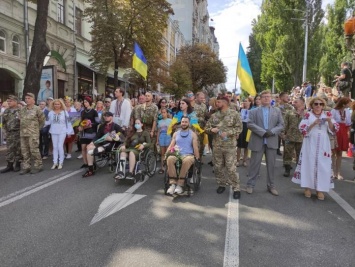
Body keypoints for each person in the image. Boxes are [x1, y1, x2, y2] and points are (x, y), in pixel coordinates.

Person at [292, 97, 338, 200]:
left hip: (323, 143)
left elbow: (334, 130)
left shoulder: (328, 114)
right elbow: (302, 129)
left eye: (321, 104)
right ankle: (307, 187)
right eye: (316, 104)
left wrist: (329, 121)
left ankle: (320, 189)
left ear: (323, 105)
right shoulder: (308, 115)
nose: (318, 106)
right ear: (312, 105)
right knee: (309, 163)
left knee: (323, 165)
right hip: (310, 142)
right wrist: (313, 124)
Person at [246, 90, 284, 196]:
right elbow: (249, 124)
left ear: (271, 98)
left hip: (271, 141)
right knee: (254, 165)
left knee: (271, 165)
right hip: (258, 140)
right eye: (264, 97)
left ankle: (271, 186)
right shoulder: (253, 111)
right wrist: (263, 132)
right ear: (260, 99)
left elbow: (281, 125)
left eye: (268, 96)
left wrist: (271, 132)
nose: (266, 98)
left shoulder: (277, 111)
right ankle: (250, 185)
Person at [205, 95, 243, 199]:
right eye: (217, 102)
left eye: (219, 102)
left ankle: (236, 188)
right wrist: (211, 130)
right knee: (218, 167)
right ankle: (221, 184)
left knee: (231, 168)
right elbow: (207, 127)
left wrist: (229, 133)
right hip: (217, 146)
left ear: (225, 102)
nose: (216, 104)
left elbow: (239, 128)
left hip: (229, 146)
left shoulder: (234, 114)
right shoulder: (214, 115)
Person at [82, 112, 124, 177]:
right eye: (105, 116)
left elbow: (121, 136)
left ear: (111, 117)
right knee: (89, 147)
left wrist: (112, 138)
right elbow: (97, 136)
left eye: (107, 116)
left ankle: (95, 151)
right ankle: (90, 169)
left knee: (98, 148)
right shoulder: (102, 126)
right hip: (101, 141)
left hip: (111, 143)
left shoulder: (116, 126)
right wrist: (92, 142)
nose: (106, 117)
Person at [166, 116, 200, 195]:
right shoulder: (176, 133)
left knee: (186, 160)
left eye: (185, 122)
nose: (184, 123)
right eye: (182, 122)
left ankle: (180, 184)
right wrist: (166, 155)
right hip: (177, 154)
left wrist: (197, 158)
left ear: (189, 123)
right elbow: (171, 145)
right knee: (170, 158)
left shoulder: (193, 134)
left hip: (188, 155)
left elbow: (195, 148)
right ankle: (173, 183)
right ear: (180, 123)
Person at [19, 93, 46, 174]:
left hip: (33, 133)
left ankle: (38, 166)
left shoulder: (37, 109)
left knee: (34, 150)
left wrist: (37, 129)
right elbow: (20, 119)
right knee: (24, 150)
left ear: (33, 100)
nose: (27, 99)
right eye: (26, 98)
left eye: (29, 98)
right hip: (23, 133)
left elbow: (42, 120)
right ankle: (26, 167)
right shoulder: (22, 109)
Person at [282, 97, 306, 177]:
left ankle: (299, 171)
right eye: (294, 101)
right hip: (290, 136)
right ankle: (287, 169)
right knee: (287, 153)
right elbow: (285, 124)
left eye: (296, 102)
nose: (294, 103)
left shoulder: (307, 113)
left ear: (302, 103)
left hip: (301, 137)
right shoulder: (289, 112)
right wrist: (283, 134)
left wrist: (301, 115)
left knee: (300, 155)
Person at [46, 99, 72, 170]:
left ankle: (61, 162)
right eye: (55, 104)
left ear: (61, 105)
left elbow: (68, 122)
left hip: (62, 131)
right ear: (53, 105)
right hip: (53, 131)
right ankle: (55, 162)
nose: (57, 105)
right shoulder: (50, 112)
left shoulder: (64, 112)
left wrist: (69, 132)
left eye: (58, 104)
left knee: (60, 146)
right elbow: (48, 122)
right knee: (55, 146)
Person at [331, 97, 351, 180]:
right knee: (333, 152)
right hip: (335, 131)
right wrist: (333, 133)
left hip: (343, 132)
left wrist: (348, 134)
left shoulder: (347, 111)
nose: (349, 104)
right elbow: (332, 122)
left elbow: (348, 123)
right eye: (348, 103)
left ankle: (338, 172)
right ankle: (332, 172)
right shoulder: (334, 111)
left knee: (339, 153)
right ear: (343, 104)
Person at [1, 95, 21, 173]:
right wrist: (5, 132)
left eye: (11, 101)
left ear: (16, 102)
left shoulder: (21, 110)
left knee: (18, 149)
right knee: (10, 149)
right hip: (9, 133)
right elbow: (3, 123)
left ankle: (18, 164)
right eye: (8, 101)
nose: (9, 102)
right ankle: (9, 165)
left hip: (18, 132)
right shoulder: (6, 111)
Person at [78, 96, 99, 169]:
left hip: (91, 132)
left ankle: (93, 162)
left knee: (89, 148)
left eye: (86, 102)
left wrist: (91, 125)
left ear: (89, 102)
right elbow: (81, 120)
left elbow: (97, 122)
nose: (85, 103)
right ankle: (85, 163)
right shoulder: (83, 111)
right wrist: (80, 125)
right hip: (84, 131)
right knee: (83, 147)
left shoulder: (94, 111)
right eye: (84, 102)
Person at [237, 98, 251, 167]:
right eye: (244, 101)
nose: (245, 103)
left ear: (250, 102)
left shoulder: (252, 110)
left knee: (246, 145)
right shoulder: (240, 110)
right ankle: (237, 160)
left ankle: (244, 160)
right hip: (241, 127)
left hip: (248, 128)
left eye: (247, 101)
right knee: (239, 145)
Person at [157, 108, 172, 174]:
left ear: (167, 113)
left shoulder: (170, 120)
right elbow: (158, 131)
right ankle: (162, 167)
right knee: (162, 153)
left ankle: (168, 167)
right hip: (162, 137)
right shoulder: (160, 122)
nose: (163, 114)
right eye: (162, 113)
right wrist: (157, 140)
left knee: (167, 152)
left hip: (168, 136)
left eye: (164, 112)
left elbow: (173, 129)